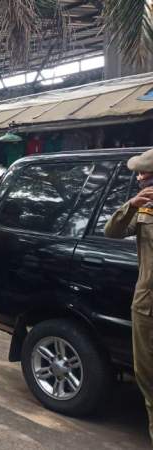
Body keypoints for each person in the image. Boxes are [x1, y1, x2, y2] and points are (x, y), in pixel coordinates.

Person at [105, 148, 153, 443]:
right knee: (148, 378)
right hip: (148, 308)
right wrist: (132, 206)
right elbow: (112, 231)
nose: (138, 179)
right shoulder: (144, 207)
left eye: (142, 175)